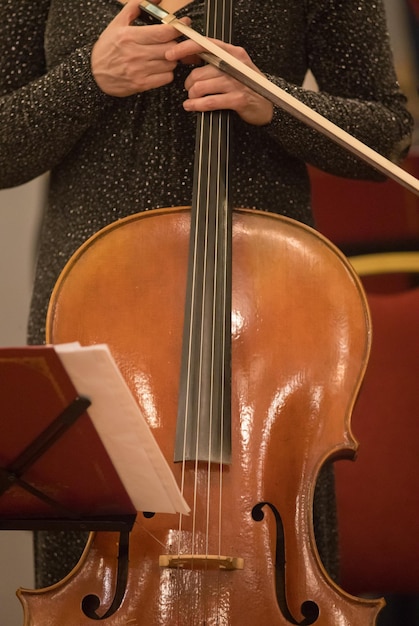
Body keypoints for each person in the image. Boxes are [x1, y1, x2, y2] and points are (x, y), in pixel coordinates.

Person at [0, 0, 413, 591]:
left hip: (266, 305)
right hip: (92, 302)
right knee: (86, 557)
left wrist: (273, 101)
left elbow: (389, 135)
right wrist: (86, 79)